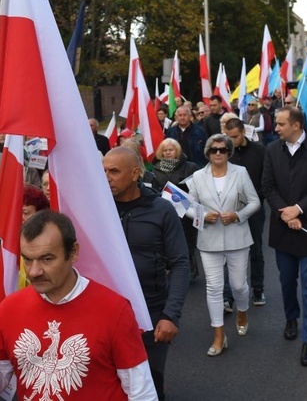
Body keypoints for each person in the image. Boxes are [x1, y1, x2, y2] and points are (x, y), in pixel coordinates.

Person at [0, 210, 157, 400]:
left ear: (73, 253)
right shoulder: (9, 309)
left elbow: (141, 392)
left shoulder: (115, 309)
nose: (34, 271)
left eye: (47, 259)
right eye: (28, 260)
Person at [103, 147, 189, 400]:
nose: (106, 176)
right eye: (104, 171)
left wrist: (170, 315)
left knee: (149, 386)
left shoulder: (162, 210)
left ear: (135, 173)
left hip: (151, 315)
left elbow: (180, 263)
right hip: (107, 315)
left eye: (114, 171)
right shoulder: (98, 210)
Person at [261, 106, 307, 367]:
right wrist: (285, 213)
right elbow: (267, 186)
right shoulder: (272, 150)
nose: (275, 127)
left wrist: (299, 209)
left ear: (296, 125)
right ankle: (291, 317)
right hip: (283, 229)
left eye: (280, 124)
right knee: (286, 281)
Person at [186, 135, 260, 356]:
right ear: (207, 153)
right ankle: (219, 335)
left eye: (223, 149)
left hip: (238, 237)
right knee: (214, 288)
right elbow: (187, 205)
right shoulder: (197, 177)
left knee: (238, 285)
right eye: (214, 150)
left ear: (229, 152)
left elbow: (255, 201)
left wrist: (237, 215)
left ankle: (242, 311)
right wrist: (201, 215)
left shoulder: (241, 172)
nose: (218, 153)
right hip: (209, 239)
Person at [224, 118, 267, 305]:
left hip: (254, 209)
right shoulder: (224, 152)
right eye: (228, 137)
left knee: (255, 249)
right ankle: (228, 295)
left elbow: (266, 181)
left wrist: (255, 199)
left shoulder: (260, 151)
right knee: (229, 252)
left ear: (243, 132)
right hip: (230, 210)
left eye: (234, 137)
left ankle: (258, 289)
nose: (231, 141)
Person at [151, 138, 200, 279]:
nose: (168, 153)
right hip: (166, 211)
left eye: (170, 150)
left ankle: (191, 269)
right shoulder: (155, 169)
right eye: (165, 150)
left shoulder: (190, 167)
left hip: (186, 212)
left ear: (177, 151)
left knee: (187, 242)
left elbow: (197, 187)